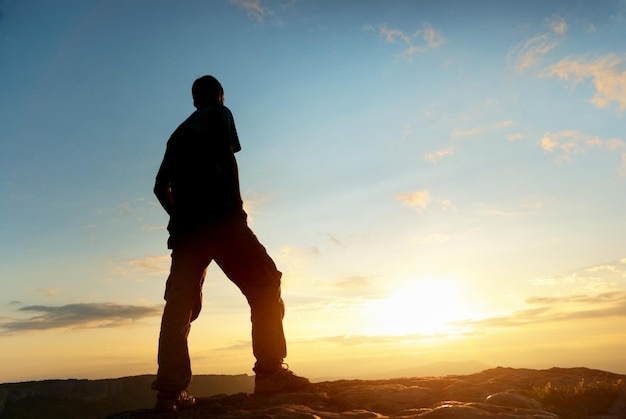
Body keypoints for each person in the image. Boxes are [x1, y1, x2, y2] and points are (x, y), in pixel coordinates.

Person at [151, 75, 309, 412]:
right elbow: (225, 158)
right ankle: (270, 373)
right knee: (266, 283)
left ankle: (168, 394)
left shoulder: (176, 135)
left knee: (179, 308)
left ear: (194, 99)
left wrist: (180, 215)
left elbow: (158, 187)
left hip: (185, 233)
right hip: (220, 220)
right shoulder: (218, 114)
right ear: (218, 95)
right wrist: (236, 209)